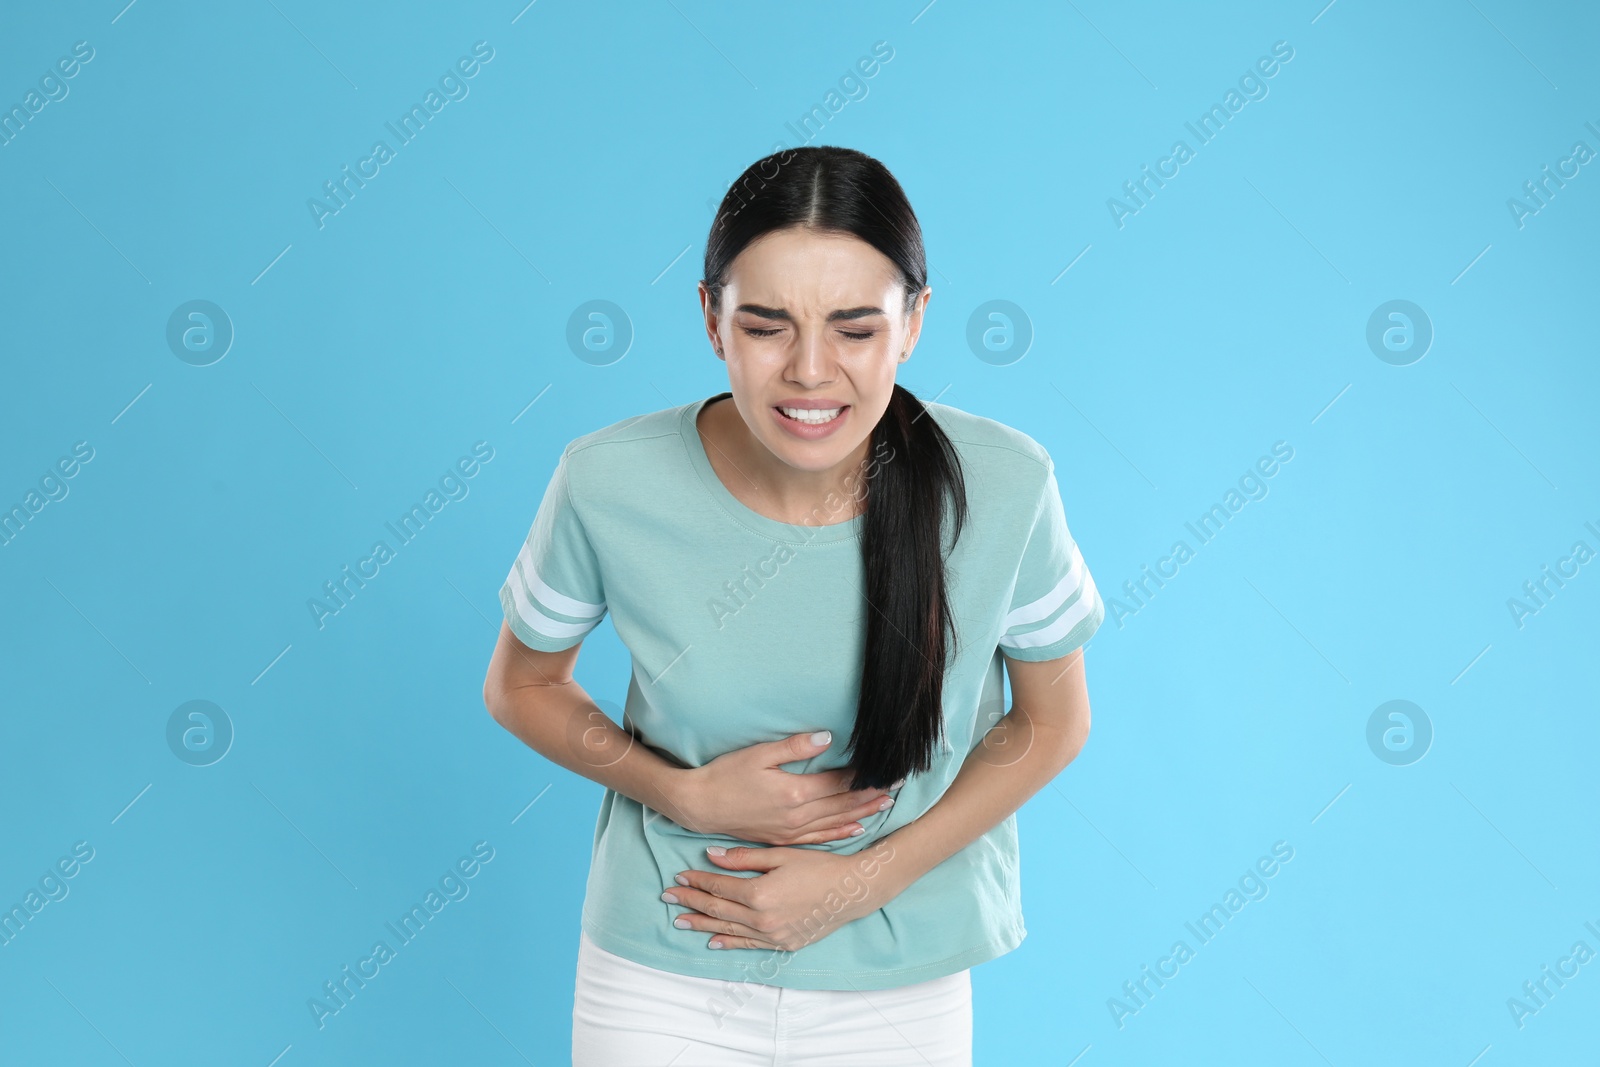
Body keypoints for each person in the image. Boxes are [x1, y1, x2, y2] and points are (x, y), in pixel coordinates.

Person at [481, 145, 1105, 1066]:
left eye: (855, 329)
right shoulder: (606, 481)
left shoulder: (1006, 484)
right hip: (664, 966)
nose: (811, 372)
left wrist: (856, 886)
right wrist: (681, 790)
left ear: (914, 322)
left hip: (899, 981)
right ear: (711, 319)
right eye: (768, 326)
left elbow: (1051, 724)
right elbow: (521, 686)